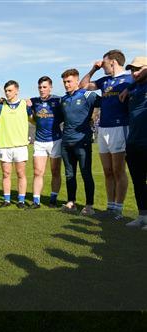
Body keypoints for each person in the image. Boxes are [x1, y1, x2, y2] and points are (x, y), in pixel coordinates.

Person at [80, 50, 133, 219]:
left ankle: (118, 208)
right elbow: (83, 86)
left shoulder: (130, 79)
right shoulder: (104, 80)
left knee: (119, 170)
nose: (102, 66)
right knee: (107, 171)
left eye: (104, 63)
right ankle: (110, 208)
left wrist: (130, 88)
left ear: (113, 62)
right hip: (103, 128)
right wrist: (93, 70)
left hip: (120, 127)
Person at [60, 69, 100, 215]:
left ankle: (89, 205)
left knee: (86, 173)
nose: (66, 84)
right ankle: (71, 202)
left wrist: (93, 118)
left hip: (82, 142)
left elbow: (105, 103)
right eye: (64, 82)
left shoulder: (88, 95)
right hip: (66, 143)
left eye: (69, 81)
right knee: (69, 174)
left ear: (77, 81)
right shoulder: (63, 99)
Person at [0, 80, 32, 209]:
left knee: (21, 174)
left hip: (20, 146)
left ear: (17, 91)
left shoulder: (25, 105)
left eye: (10, 90)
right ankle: (7, 199)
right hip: (5, 145)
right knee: (6, 174)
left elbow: (36, 117)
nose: (8, 93)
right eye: (6, 91)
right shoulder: (0, 106)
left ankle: (21, 200)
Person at [28, 76, 63, 209]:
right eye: (40, 87)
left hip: (55, 141)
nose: (42, 90)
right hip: (39, 142)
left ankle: (53, 199)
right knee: (38, 172)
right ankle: (36, 201)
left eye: (44, 87)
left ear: (50, 87)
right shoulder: (34, 101)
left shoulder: (57, 101)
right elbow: (23, 105)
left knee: (55, 171)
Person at [120, 57, 147, 230]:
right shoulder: (133, 88)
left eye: (138, 69)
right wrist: (129, 87)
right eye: (132, 70)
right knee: (138, 181)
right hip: (133, 142)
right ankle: (142, 216)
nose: (134, 72)